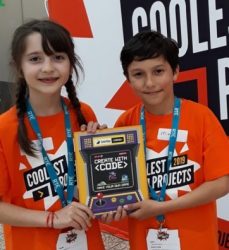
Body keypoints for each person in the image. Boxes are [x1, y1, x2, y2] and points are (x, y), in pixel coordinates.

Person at [113, 30, 229, 250]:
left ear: (175, 71)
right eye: (138, 74)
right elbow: (116, 186)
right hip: (144, 241)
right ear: (128, 79)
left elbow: (221, 184)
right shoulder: (125, 123)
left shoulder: (202, 117)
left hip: (197, 242)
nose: (149, 82)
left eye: (158, 71)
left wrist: (159, 208)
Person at [0, 19, 105, 250]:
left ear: (71, 63)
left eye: (58, 57)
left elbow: (93, 187)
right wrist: (53, 219)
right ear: (19, 66)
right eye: (35, 59)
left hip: (87, 241)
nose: (48, 68)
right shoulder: (4, 128)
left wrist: (103, 153)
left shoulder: (83, 113)